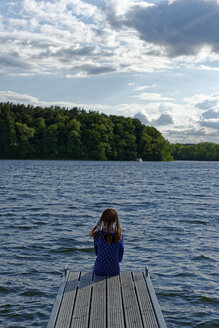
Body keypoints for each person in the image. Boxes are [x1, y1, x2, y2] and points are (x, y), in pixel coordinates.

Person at [90, 208, 124, 275]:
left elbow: (97, 253)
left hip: (99, 270)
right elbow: (120, 257)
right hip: (114, 270)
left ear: (102, 219)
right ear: (115, 220)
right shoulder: (119, 236)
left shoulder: (97, 235)